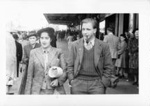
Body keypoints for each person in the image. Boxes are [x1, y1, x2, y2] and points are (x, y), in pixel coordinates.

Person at [67, 18, 113, 94]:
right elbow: (70, 65)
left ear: (94, 30)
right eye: (83, 29)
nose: (85, 32)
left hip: (97, 84)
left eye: (88, 29)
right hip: (78, 84)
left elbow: (108, 66)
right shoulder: (74, 45)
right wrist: (72, 80)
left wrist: (104, 82)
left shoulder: (104, 46)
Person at [25, 27, 67, 94]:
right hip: (37, 91)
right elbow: (29, 75)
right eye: (42, 38)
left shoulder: (58, 52)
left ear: (51, 39)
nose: (44, 41)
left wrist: (58, 81)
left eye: (46, 38)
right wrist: (27, 94)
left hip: (54, 91)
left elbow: (65, 70)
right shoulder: (33, 52)